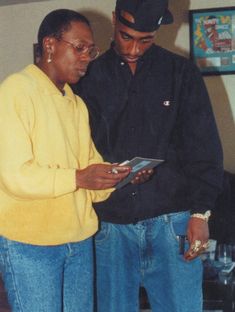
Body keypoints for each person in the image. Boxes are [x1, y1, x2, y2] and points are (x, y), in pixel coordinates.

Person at [74, 0, 224, 311]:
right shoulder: (88, 77)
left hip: (172, 222)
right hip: (110, 227)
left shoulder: (180, 72)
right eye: (126, 36)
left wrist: (201, 214)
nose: (133, 49)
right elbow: (76, 148)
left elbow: (204, 147)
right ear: (115, 20)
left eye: (146, 40)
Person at [0, 9, 132, 312]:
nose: (87, 57)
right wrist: (78, 177)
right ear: (50, 45)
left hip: (79, 241)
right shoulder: (15, 91)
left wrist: (118, 177)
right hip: (30, 243)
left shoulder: (75, 103)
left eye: (91, 50)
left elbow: (90, 176)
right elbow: (14, 175)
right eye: (79, 47)